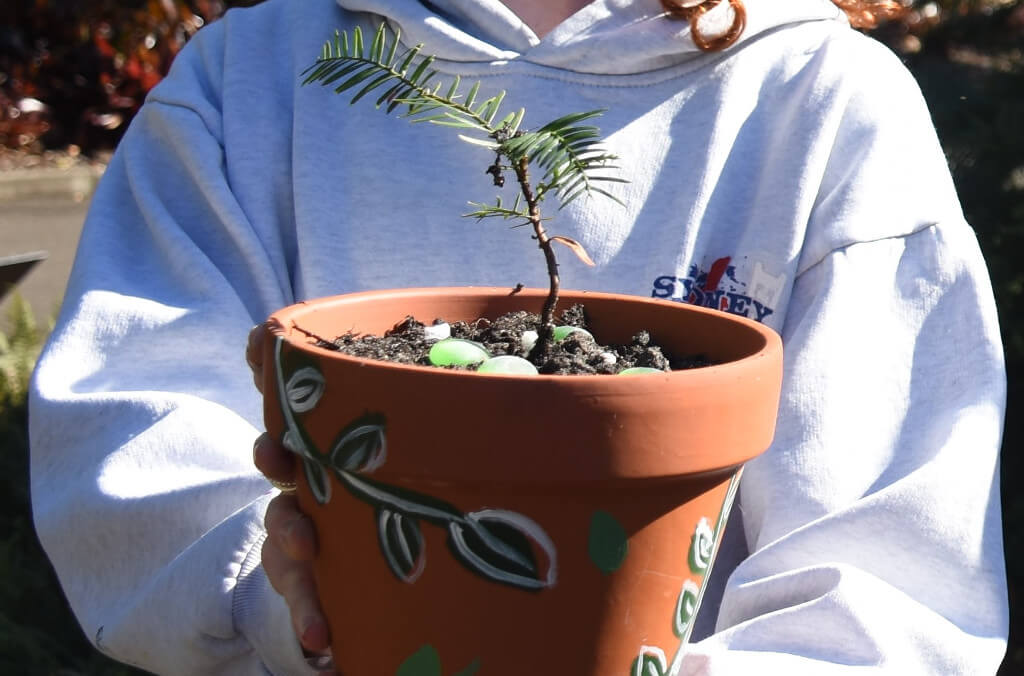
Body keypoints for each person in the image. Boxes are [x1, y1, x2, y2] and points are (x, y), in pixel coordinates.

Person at [30, 0, 1009, 673]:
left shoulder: (817, 98)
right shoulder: (247, 82)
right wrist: (268, 586)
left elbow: (889, 571)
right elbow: (133, 416)